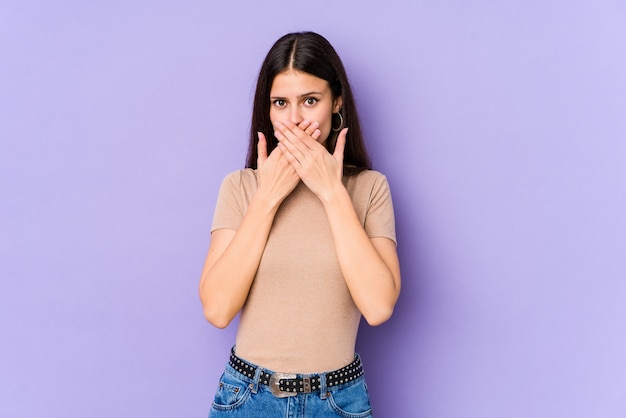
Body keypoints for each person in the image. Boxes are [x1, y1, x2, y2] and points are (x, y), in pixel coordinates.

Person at [199, 31, 401, 417]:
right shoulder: (241, 187)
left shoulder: (369, 188)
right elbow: (217, 310)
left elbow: (378, 307)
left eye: (310, 101)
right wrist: (268, 196)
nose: (294, 119)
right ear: (268, 109)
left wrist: (331, 192)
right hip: (248, 398)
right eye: (281, 103)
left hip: (338, 401)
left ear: (336, 102)